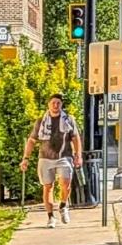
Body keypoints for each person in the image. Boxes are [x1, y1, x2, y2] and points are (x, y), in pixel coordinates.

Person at [20, 94, 82, 228]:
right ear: (49, 104)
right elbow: (32, 140)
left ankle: (63, 205)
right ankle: (51, 217)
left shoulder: (68, 120)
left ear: (61, 105)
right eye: (53, 103)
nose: (55, 105)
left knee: (66, 183)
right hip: (45, 158)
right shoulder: (41, 121)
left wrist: (78, 155)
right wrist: (26, 158)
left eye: (58, 103)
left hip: (64, 157)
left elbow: (75, 138)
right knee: (48, 187)